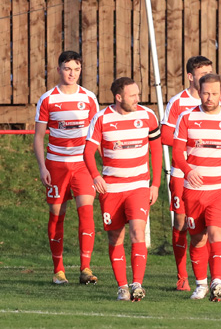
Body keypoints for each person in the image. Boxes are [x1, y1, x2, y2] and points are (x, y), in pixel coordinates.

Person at [170, 73, 221, 301]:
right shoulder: (186, 117)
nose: (210, 97)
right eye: (205, 93)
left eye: (214, 93)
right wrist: (188, 171)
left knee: (216, 235)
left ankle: (217, 282)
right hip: (193, 191)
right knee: (198, 239)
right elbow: (177, 152)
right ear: (199, 91)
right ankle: (201, 284)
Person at [83, 77, 162, 301]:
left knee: (138, 231)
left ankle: (137, 284)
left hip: (138, 186)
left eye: (138, 94)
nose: (138, 99)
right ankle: (122, 287)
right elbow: (88, 152)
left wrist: (155, 184)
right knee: (115, 237)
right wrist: (96, 176)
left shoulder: (147, 116)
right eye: (132, 95)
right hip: (112, 188)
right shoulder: (101, 118)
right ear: (118, 97)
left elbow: (156, 151)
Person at [33, 50, 101, 285]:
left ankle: (85, 269)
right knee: (56, 216)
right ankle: (58, 270)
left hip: (83, 165)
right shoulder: (48, 99)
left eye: (76, 69)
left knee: (86, 213)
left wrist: (102, 168)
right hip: (56, 165)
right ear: (59, 69)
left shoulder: (89, 98)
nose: (72, 73)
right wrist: (43, 167)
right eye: (68, 68)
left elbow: (97, 136)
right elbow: (38, 137)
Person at [160, 56, 221, 291]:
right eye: (202, 73)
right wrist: (190, 140)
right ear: (190, 76)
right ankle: (182, 276)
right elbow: (166, 135)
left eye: (210, 72)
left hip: (210, 174)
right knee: (181, 222)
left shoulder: (219, 101)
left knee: (210, 225)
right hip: (181, 172)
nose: (208, 76)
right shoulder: (178, 102)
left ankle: (212, 275)